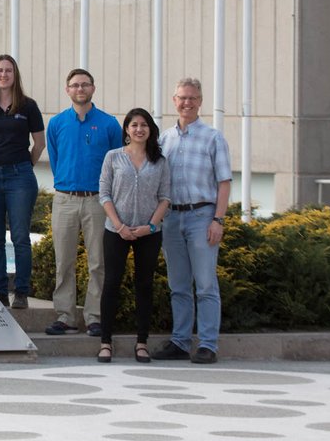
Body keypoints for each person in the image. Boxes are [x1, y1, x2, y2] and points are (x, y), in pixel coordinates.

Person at [151, 77, 232, 365]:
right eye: (182, 97)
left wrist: (218, 220)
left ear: (200, 101)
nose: (187, 102)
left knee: (206, 284)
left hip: (202, 217)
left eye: (192, 98)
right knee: (179, 285)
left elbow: (224, 182)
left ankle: (208, 344)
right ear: (174, 100)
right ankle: (180, 342)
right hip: (172, 219)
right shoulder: (164, 139)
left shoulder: (213, 137)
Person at [44, 69, 123, 338]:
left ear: (93, 88)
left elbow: (116, 162)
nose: (80, 89)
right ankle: (65, 316)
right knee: (63, 261)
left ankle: (94, 317)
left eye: (85, 85)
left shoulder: (109, 124)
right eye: (75, 85)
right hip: (65, 199)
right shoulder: (56, 123)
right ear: (67, 90)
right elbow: (55, 159)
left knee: (97, 262)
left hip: (98, 201)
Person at [97, 108, 171, 363]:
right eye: (134, 125)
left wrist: (150, 226)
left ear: (150, 129)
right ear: (127, 130)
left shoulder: (159, 161)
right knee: (111, 284)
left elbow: (165, 197)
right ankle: (106, 342)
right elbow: (104, 193)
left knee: (144, 285)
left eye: (144, 125)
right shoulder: (113, 157)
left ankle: (142, 342)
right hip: (116, 230)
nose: (139, 129)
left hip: (148, 232)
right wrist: (119, 225)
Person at [0, 54, 45, 308]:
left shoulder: (28, 106)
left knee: (20, 236)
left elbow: (39, 143)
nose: (3, 75)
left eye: (8, 71)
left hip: (20, 177)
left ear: (15, 75)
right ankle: (1, 290)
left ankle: (22, 292)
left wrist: (24, 165)